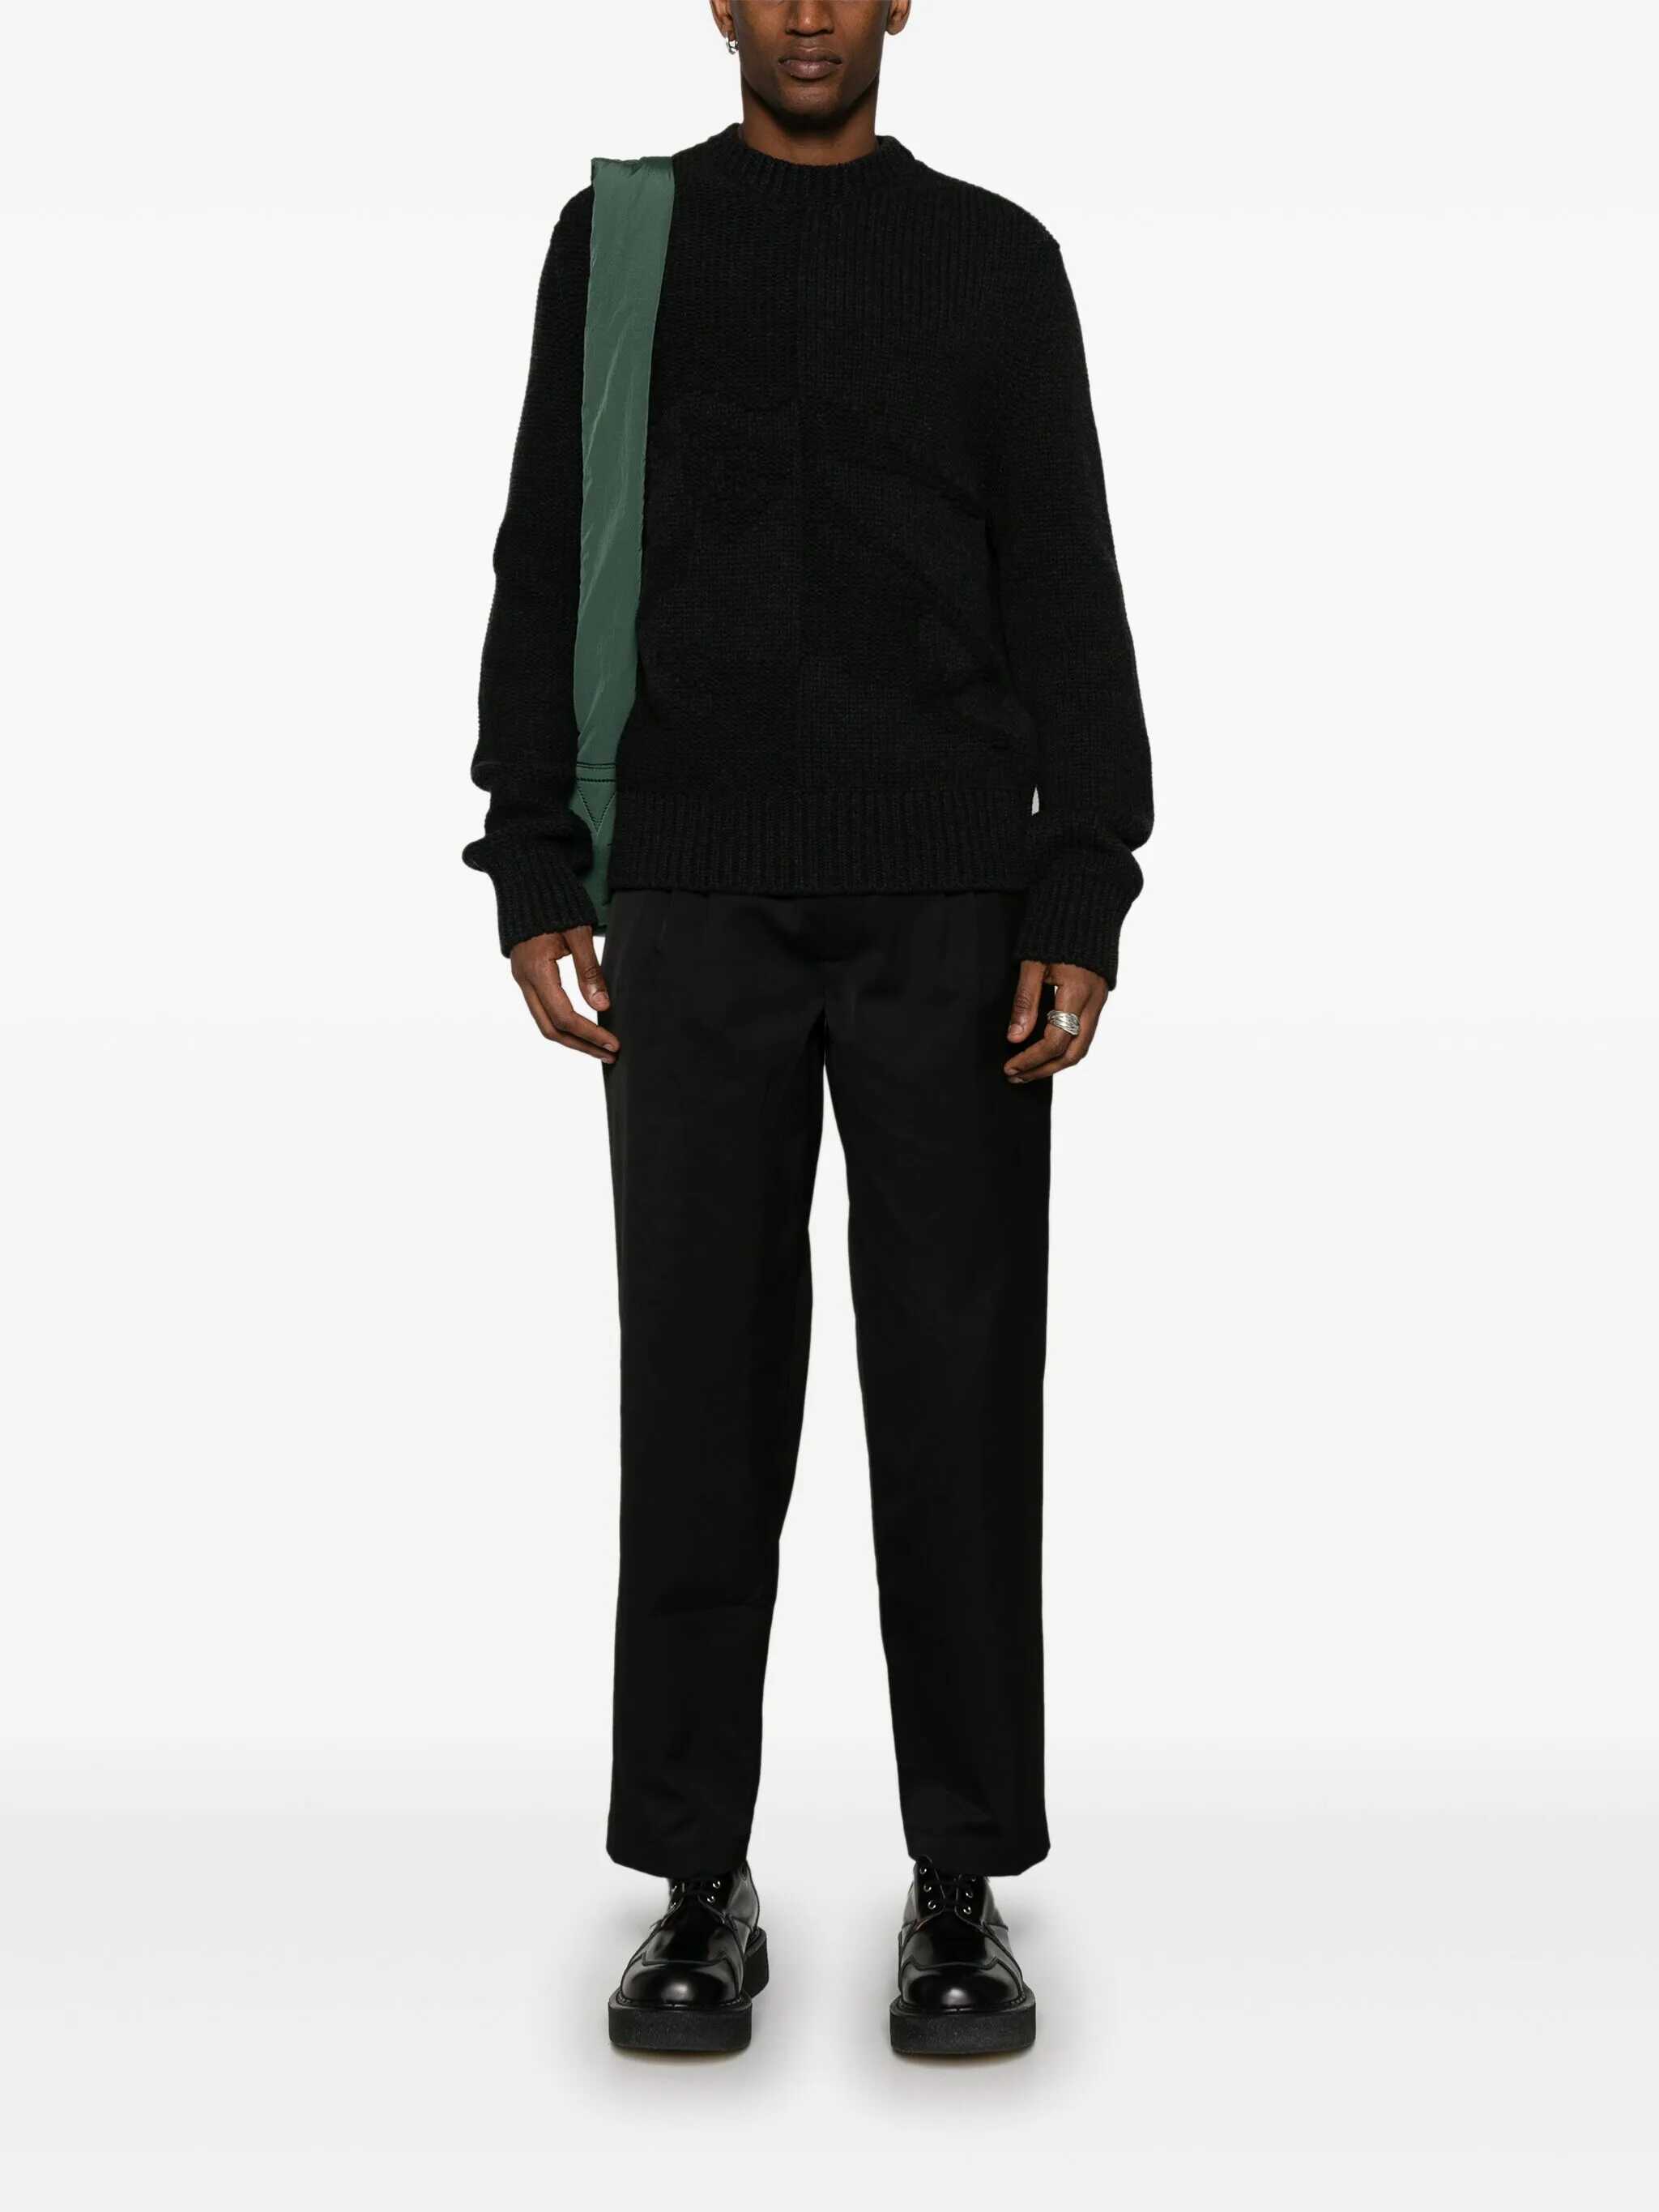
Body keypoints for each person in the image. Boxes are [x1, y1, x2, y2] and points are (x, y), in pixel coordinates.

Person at [464, 0, 1152, 2057]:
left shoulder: (993, 261)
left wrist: (1083, 882)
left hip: (951, 900)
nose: (808, 12)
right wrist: (534, 852)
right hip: (688, 896)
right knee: (696, 1387)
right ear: (719, 1)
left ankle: (962, 1885)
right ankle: (697, 1881)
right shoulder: (624, 242)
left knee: (959, 1395)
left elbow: (1067, 576)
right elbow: (549, 540)